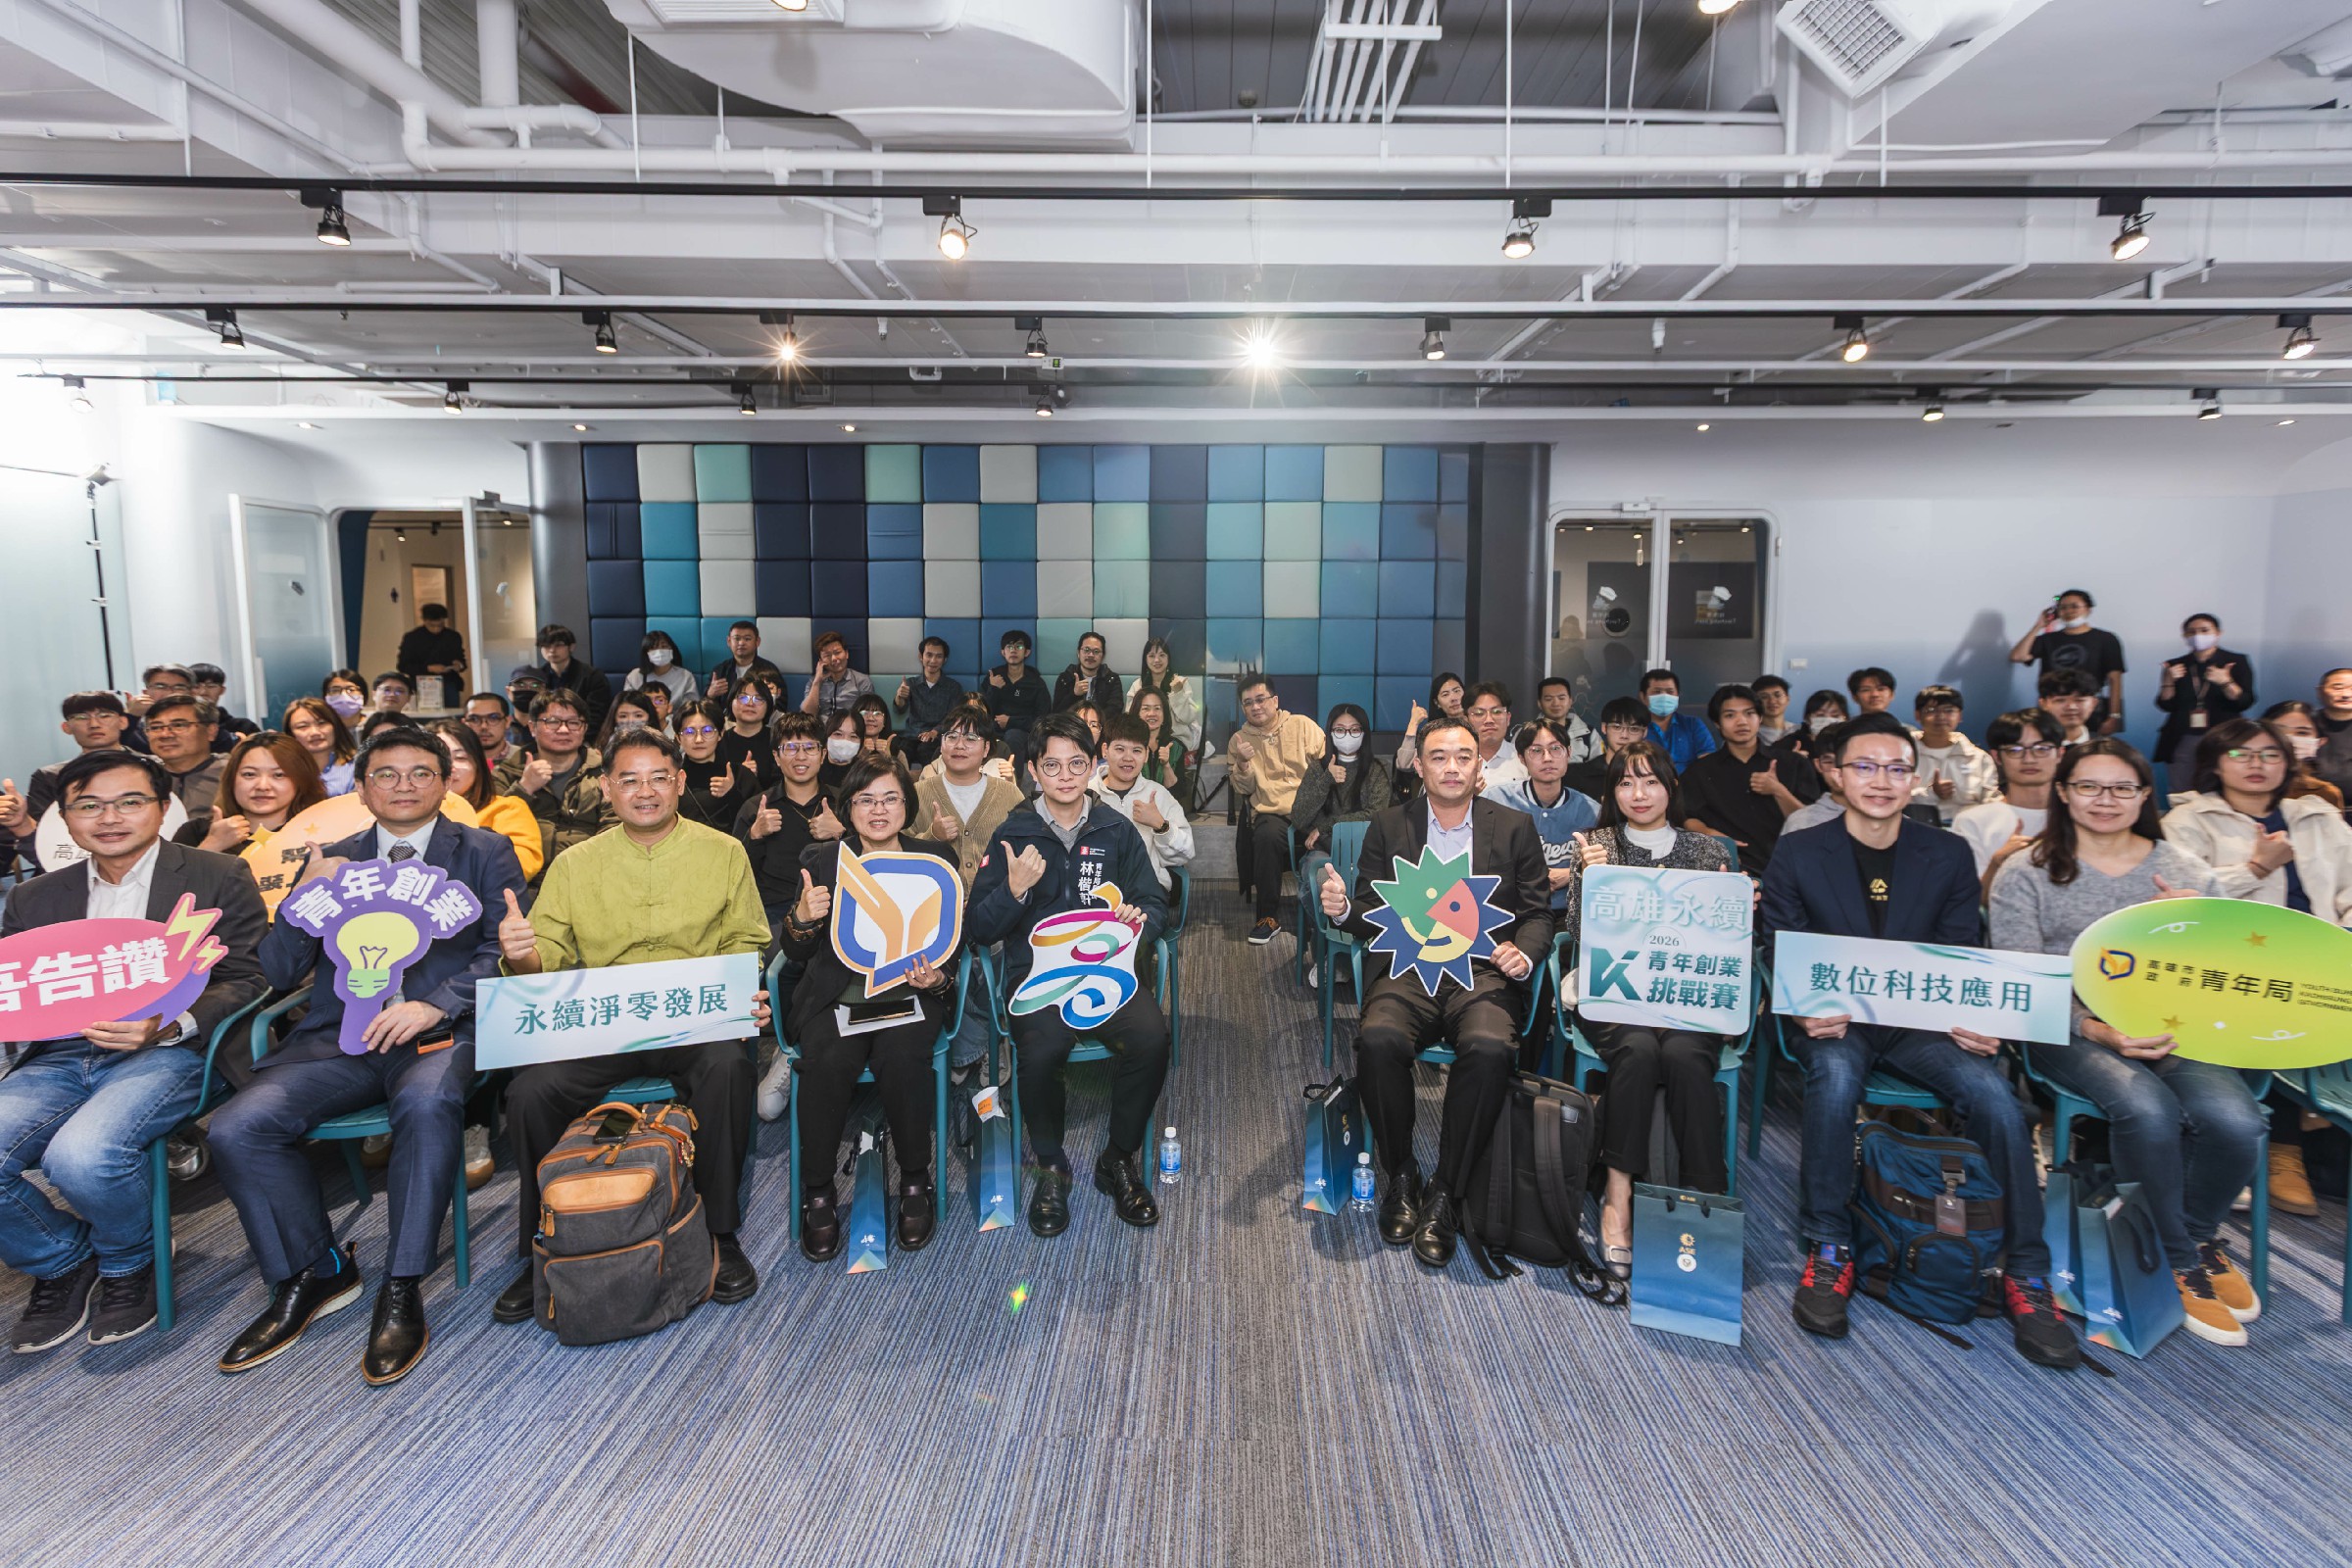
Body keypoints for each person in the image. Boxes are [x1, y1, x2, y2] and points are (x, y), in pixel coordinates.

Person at [1758, 710, 2078, 1369]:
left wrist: (1975, 1014)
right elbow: (1779, 942)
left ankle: (2025, 1269)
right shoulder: (1800, 850)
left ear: (1915, 778)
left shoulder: (1947, 852)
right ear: (1837, 775)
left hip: (1921, 1022)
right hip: (1836, 1018)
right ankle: (1829, 1244)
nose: (1881, 781)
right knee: (1835, 1081)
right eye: (1865, 767)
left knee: (1994, 1097)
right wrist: (1802, 1009)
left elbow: (1961, 949)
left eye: (1896, 769)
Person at [209, 725, 524, 1385]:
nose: (403, 786)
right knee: (239, 1127)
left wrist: (437, 1003)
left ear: (446, 783)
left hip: (439, 1032)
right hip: (339, 1039)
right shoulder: (333, 857)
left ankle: (402, 1284)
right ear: (361, 787)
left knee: (428, 1102)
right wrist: (304, 894)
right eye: (386, 774)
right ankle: (315, 1270)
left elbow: (501, 947)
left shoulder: (484, 850)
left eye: (420, 773)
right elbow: (278, 970)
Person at [491, 727, 769, 1325]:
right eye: (630, 780)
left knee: (728, 1069)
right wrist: (521, 953)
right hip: (606, 1020)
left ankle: (719, 1232)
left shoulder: (724, 852)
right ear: (608, 788)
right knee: (530, 1091)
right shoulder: (574, 864)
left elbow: (746, 941)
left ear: (680, 782)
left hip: (692, 1018)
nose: (646, 792)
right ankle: (546, 1240)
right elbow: (547, 958)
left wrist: (742, 994)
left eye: (658, 778)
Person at [1988, 740, 2262, 1348]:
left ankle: (2194, 1235)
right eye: (2089, 786)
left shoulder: (2184, 869)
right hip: (2068, 1029)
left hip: (2177, 1030)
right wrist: (2097, 1029)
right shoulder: (2027, 871)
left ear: (2144, 796)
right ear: (2064, 793)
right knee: (2147, 1108)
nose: (2105, 800)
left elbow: (2228, 975)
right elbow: (2021, 980)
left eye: (2122, 788)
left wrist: (2200, 928)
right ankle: (2176, 1262)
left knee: (2236, 1123)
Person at [0, 750, 268, 1352]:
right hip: (60, 1055)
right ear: (64, 818)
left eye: (129, 802)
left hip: (171, 1052)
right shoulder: (34, 899)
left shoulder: (217, 875)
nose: (109, 818)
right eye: (89, 806)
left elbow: (249, 979)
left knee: (82, 1157)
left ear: (162, 807)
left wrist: (166, 1025)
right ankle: (60, 1259)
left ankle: (130, 1259)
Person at [1317, 715, 1550, 1270]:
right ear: (1419, 766)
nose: (1451, 767)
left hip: (1484, 974)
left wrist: (1524, 952)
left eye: (1463, 757)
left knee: (1490, 1048)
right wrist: (1345, 911)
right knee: (1378, 1040)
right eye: (1439, 757)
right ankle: (1401, 1174)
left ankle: (1448, 1188)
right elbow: (1372, 912)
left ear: (1479, 767)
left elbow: (1539, 914)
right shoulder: (1388, 825)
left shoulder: (1514, 827)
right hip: (1408, 970)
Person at [967, 712, 1171, 1238]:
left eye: (1077, 764)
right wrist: (1013, 890)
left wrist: (1137, 921)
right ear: (1034, 770)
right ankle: (1052, 1165)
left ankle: (1117, 1158)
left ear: (1093, 766)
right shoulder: (1012, 834)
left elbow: (1156, 903)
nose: (1065, 776)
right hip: (1038, 980)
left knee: (1152, 1037)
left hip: (1106, 973)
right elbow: (977, 928)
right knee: (1041, 1052)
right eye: (1052, 765)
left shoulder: (1115, 829)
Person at [1561, 741, 1740, 1271]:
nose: (1638, 794)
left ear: (1670, 787)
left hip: (1683, 995)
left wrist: (1736, 904)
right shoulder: (1596, 845)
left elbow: (1722, 942)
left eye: (1650, 781)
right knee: (1638, 1052)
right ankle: (1617, 1197)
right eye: (1625, 782)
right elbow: (1580, 935)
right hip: (1617, 995)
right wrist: (1589, 878)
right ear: (1612, 792)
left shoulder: (1705, 851)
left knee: (1684, 1056)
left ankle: (1704, 1202)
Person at [777, 753, 961, 1260]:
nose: (878, 810)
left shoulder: (934, 859)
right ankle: (818, 1191)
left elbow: (953, 940)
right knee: (827, 1062)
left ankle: (915, 1181)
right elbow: (793, 951)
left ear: (908, 805)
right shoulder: (822, 860)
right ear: (849, 808)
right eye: (865, 800)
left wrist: (938, 978)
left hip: (910, 994)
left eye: (890, 799)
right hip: (838, 996)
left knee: (903, 1060)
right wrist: (803, 917)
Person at [2161, 717, 2352, 923]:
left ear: (2287, 764)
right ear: (2215, 764)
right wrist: (2256, 869)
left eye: (2271, 755)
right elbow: (2178, 897)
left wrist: (2343, 936)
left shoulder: (2320, 817)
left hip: (2324, 938)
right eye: (2239, 754)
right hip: (2228, 941)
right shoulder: (2186, 821)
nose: (2256, 764)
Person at [1228, 674, 1328, 947]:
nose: (1255, 707)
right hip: (1272, 813)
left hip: (1312, 810)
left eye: (1260, 699)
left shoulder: (1303, 726)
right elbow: (1244, 789)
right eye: (1248, 703)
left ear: (1275, 701)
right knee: (1265, 836)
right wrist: (1242, 763)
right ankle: (1267, 917)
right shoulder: (1239, 739)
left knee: (1332, 835)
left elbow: (1326, 766)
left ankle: (1329, 914)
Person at [177, 733, 328, 901]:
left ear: (301, 781)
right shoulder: (196, 832)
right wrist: (213, 845)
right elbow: (169, 897)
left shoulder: (324, 832)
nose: (262, 786)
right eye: (249, 775)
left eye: (278, 775)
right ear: (231, 779)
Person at [737, 710, 848, 928]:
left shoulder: (844, 804)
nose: (801, 756)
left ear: (823, 755)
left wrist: (841, 833)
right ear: (776, 757)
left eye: (810, 747)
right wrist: (755, 835)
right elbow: (736, 875)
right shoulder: (755, 808)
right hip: (773, 913)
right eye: (790, 748)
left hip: (835, 907)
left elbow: (868, 862)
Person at [1677, 683, 1802, 875]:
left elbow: (1811, 822)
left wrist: (1778, 791)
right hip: (1729, 870)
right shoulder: (1699, 771)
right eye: (1730, 715)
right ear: (1717, 723)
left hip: (1790, 867)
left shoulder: (1792, 763)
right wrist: (1708, 833)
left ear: (1760, 718)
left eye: (1749, 713)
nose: (1741, 721)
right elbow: (1685, 817)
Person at [491, 690, 613, 873]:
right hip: (523, 876)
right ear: (532, 728)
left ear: (584, 728)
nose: (563, 730)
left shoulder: (605, 773)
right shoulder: (505, 773)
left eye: (574, 722)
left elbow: (614, 828)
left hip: (589, 873)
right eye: (553, 722)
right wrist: (524, 788)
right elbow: (491, 829)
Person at [1486, 719, 1600, 907]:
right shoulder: (1495, 800)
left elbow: (1604, 868)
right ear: (1521, 758)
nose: (1547, 758)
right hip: (1510, 907)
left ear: (1568, 753)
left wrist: (1571, 873)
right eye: (1536, 751)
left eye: (1555, 749)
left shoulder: (1592, 811)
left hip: (1568, 911)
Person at [1953, 709, 2066, 896]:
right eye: (2015, 750)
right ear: (1997, 757)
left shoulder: (2081, 816)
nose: (2029, 759)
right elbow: (1973, 900)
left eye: (2042, 749)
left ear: (2060, 753)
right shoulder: (1972, 821)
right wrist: (1998, 861)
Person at [913, 703, 1024, 892]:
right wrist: (933, 836)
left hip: (996, 902)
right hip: (934, 902)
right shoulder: (918, 793)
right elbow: (900, 853)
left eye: (970, 738)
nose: (959, 745)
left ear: (986, 748)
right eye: (952, 737)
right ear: (941, 744)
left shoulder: (1010, 794)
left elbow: (1026, 851)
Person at [0, 691, 134, 837]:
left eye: (104, 716)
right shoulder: (50, 777)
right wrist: (22, 824)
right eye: (81, 717)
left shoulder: (150, 766)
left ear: (123, 722)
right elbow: (45, 839)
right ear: (66, 727)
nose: (94, 724)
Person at [1090, 712, 1195, 893]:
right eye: (1120, 749)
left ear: (1146, 754)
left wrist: (1161, 826)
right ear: (1105, 750)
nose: (1128, 758)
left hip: (1146, 889)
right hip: (1096, 888)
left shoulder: (1158, 795)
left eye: (1137, 751)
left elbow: (1184, 854)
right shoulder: (1087, 793)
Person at [430, 719, 543, 883]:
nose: (450, 767)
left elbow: (519, 866)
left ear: (478, 764)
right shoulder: (404, 813)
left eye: (460, 757)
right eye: (439, 758)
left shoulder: (507, 808)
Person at [2152, 613, 2256, 783]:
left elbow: (2244, 701)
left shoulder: (2235, 662)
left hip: (2225, 735)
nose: (2198, 636)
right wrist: (2168, 681)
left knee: (2226, 783)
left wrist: (2225, 682)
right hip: (2184, 735)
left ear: (2218, 633)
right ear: (2185, 636)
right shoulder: (2175, 665)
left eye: (2204, 630)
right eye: (2191, 632)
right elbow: (2166, 705)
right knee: (2181, 786)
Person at [2010, 588, 2125, 736]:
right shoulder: (2048, 639)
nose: (2069, 611)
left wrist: (2114, 715)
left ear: (2088, 609)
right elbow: (2018, 656)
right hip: (2053, 705)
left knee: (2089, 744)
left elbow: (2115, 679)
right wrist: (2039, 625)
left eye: (2074, 606)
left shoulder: (2106, 639)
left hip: (2088, 705)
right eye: (2063, 608)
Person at [1292, 703, 1396, 858]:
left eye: (1355, 730)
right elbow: (1298, 818)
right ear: (1330, 733)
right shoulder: (1317, 768)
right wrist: (1326, 780)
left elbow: (1376, 814)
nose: (1347, 735)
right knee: (1320, 871)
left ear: (1364, 733)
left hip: (1367, 848)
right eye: (1340, 730)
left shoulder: (1378, 768)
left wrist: (1328, 825)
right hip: (1325, 849)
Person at [1908, 685, 1998, 825]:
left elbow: (1991, 799)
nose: (1941, 716)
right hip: (1914, 826)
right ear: (1918, 715)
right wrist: (1930, 793)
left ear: (1960, 716)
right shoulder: (1902, 754)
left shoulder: (1979, 757)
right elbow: (1891, 797)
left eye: (1949, 710)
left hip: (1969, 830)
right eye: (1931, 710)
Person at [142, 694, 224, 818]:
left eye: (179, 725)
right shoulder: (141, 774)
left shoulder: (232, 773)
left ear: (211, 731)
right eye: (155, 727)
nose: (165, 735)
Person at [672, 700, 747, 831]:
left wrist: (732, 793)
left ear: (721, 733)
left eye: (707, 730)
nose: (699, 739)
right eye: (689, 732)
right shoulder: (671, 778)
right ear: (678, 738)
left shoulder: (739, 774)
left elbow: (752, 824)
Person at [529, 623, 612, 737]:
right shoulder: (536, 677)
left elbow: (597, 716)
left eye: (558, 645)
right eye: (546, 646)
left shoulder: (592, 676)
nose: (552, 650)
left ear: (571, 647)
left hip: (583, 736)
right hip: (546, 736)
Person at [894, 636, 965, 768]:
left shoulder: (953, 687)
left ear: (945, 660)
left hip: (937, 737)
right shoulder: (911, 683)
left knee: (926, 751)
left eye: (938, 656)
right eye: (929, 655)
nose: (933, 660)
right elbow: (900, 709)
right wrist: (900, 697)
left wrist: (935, 732)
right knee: (900, 754)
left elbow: (954, 717)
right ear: (921, 657)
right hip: (912, 735)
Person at [2260, 700, 2345, 810]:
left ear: (2320, 742)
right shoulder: (2242, 784)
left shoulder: (2325, 793)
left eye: (2302, 733)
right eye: (2279, 731)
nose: (2288, 739)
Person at [1563, 697, 1650, 803]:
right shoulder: (1576, 776)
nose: (1624, 735)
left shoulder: (1654, 774)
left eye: (1634, 729)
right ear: (1604, 728)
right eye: (1617, 727)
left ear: (1645, 732)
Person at [983, 629, 1052, 762]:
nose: (1013, 650)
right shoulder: (993, 677)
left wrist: (1011, 721)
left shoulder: (1036, 682)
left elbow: (1042, 719)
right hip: (994, 730)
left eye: (1019, 647)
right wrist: (993, 689)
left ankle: (1013, 775)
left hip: (1024, 733)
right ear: (1003, 652)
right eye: (1009, 646)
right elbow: (983, 712)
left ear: (1027, 652)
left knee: (1013, 736)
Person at [1129, 637, 1202, 754]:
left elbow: (1188, 718)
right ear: (1145, 659)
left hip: (1176, 739)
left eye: (1162, 655)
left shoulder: (1180, 682)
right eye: (1151, 656)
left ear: (1168, 658)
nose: (1157, 660)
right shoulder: (1137, 685)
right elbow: (1130, 720)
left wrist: (1178, 693)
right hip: (1144, 739)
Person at [715, 678, 785, 797]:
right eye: (743, 698)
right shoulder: (719, 741)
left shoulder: (778, 740)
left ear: (768, 705)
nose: (750, 704)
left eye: (758, 699)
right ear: (731, 702)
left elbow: (784, 785)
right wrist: (741, 776)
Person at [1640, 668, 1716, 772]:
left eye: (1670, 692)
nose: (1664, 697)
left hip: (1689, 781)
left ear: (1677, 696)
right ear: (1643, 697)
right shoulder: (1636, 728)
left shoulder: (1693, 725)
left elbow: (1708, 763)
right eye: (1657, 692)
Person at [1395, 672, 1467, 776]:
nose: (1453, 698)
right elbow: (1404, 764)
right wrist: (1413, 723)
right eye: (1445, 694)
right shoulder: (1434, 734)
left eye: (1457, 691)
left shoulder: (1480, 728)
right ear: (1437, 703)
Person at [284, 696, 358, 796]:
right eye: (303, 726)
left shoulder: (359, 767)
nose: (315, 732)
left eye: (322, 723)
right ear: (291, 734)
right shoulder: (284, 772)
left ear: (335, 726)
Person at [1130, 689, 1194, 804]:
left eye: (1157, 708)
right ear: (1136, 713)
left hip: (1166, 809)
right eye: (1145, 709)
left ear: (1165, 714)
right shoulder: (1127, 744)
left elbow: (1178, 793)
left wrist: (1166, 765)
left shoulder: (1175, 747)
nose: (1152, 713)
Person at [1463, 682, 1527, 794]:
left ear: (1508, 719)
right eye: (1479, 713)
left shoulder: (1524, 759)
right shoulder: (1453, 762)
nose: (1489, 720)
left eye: (1497, 712)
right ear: (1466, 721)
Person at [703, 620, 785, 708]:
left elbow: (781, 704)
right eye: (737, 639)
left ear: (757, 641)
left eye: (747, 639)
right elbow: (704, 708)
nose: (741, 643)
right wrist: (710, 695)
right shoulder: (720, 671)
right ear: (729, 641)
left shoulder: (769, 670)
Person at [798, 629, 874, 715]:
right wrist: (817, 683)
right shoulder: (813, 682)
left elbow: (866, 714)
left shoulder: (862, 681)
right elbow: (807, 715)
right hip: (821, 724)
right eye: (827, 655)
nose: (834, 658)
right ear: (821, 661)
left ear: (846, 654)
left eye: (837, 653)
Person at [620, 629, 700, 711]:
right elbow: (627, 706)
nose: (659, 652)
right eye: (653, 648)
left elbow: (691, 708)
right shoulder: (634, 676)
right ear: (646, 653)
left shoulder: (686, 676)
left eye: (664, 646)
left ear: (672, 649)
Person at [188, 663, 259, 751]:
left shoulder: (243, 727)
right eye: (196, 687)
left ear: (222, 690)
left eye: (211, 686)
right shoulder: (178, 728)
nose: (203, 692)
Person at [1052, 630, 1122, 716]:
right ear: (1078, 653)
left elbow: (1115, 709)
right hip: (1073, 724)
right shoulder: (1066, 678)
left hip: (1102, 724)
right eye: (1086, 650)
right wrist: (1074, 694)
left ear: (1102, 656)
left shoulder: (1111, 679)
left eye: (1096, 651)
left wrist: (1095, 721)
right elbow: (1057, 713)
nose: (1091, 655)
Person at [396, 604, 466, 687]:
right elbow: (403, 666)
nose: (436, 629)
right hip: (421, 684)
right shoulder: (412, 638)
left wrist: (459, 665)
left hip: (449, 682)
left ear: (444, 620)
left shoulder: (453, 636)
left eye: (440, 625)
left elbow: (461, 659)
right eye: (432, 626)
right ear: (424, 620)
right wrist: (429, 668)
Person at [1534, 675, 1599, 763]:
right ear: (1539, 703)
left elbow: (1599, 767)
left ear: (1570, 701)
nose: (1556, 703)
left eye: (1561, 698)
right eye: (1549, 699)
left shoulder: (1588, 734)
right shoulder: (1526, 733)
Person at [2038, 668, 2101, 749]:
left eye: (2079, 700)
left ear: (2093, 703)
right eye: (2060, 700)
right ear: (2043, 704)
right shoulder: (2034, 747)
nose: (2071, 707)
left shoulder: (2106, 749)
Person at [2318, 668, 2352, 810]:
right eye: (2337, 688)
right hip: (2312, 808)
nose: (2346, 694)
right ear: (2320, 691)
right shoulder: (2305, 725)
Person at [461, 692, 517, 774]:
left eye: (493, 718)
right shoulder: (453, 761)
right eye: (474, 719)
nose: (484, 726)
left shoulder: (523, 758)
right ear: (464, 724)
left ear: (507, 722)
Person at [597, 689, 662, 753]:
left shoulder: (662, 749)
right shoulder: (601, 750)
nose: (630, 721)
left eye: (638, 715)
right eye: (623, 716)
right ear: (614, 719)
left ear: (650, 718)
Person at [818, 709, 864, 794]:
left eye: (853, 736)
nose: (845, 741)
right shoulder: (814, 768)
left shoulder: (865, 773)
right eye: (838, 734)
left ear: (861, 742)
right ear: (827, 736)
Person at [851, 693, 897, 762]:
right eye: (864, 713)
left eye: (877, 713)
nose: (870, 718)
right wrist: (861, 757)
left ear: (885, 721)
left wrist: (888, 758)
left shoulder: (897, 752)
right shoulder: (845, 746)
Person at [1752, 674, 1795, 747]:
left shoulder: (1798, 730)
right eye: (1764, 697)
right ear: (1755, 702)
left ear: (1788, 699)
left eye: (1777, 695)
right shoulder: (1751, 734)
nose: (1772, 701)